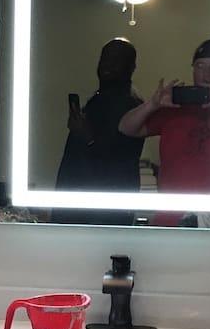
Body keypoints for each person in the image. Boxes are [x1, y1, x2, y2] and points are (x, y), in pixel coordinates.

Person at [117, 38, 210, 225]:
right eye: (200, 66)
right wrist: (152, 104)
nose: (206, 74)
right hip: (171, 219)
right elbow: (126, 128)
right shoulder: (174, 107)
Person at [52, 38, 146, 225]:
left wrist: (88, 138)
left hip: (101, 212)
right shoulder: (99, 99)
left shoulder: (132, 107)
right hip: (78, 204)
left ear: (132, 67)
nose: (108, 66)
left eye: (117, 61)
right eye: (105, 59)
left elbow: (121, 164)